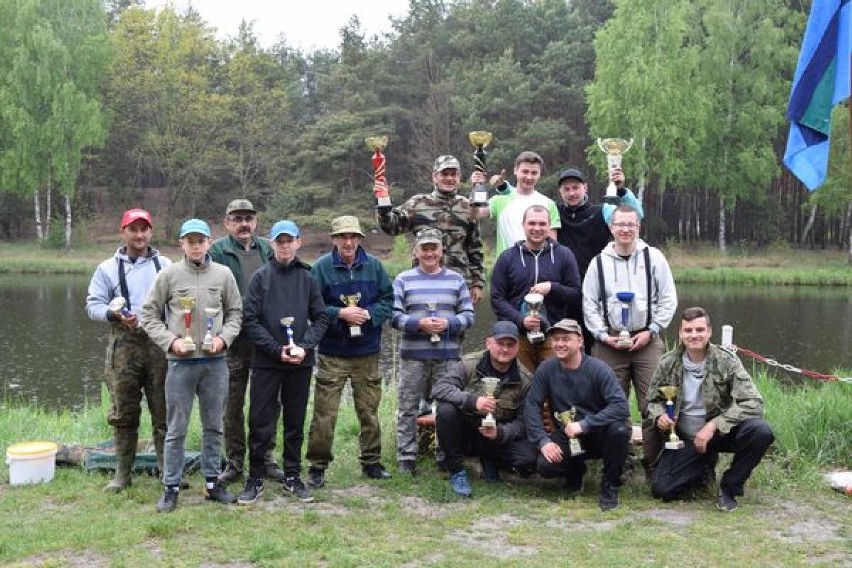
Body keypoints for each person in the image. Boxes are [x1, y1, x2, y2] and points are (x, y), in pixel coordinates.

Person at [141, 218, 242, 513]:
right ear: (181, 244)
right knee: (176, 428)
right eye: (190, 241)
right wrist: (170, 342)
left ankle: (212, 483)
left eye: (201, 241)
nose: (196, 246)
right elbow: (148, 315)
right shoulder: (169, 275)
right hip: (180, 364)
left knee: (214, 426)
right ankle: (171, 486)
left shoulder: (223, 275)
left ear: (209, 242)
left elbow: (236, 313)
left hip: (215, 363)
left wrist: (224, 339)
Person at [647, 307, 775, 512]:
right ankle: (703, 466)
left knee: (760, 431)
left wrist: (715, 425)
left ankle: (730, 487)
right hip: (685, 438)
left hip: (720, 434)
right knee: (662, 490)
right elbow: (652, 401)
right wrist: (659, 416)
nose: (694, 335)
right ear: (680, 333)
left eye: (699, 330)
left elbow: (753, 402)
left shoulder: (727, 360)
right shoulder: (667, 362)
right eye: (688, 330)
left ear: (709, 332)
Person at [237, 220, 329, 505]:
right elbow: (250, 321)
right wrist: (276, 350)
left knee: (295, 420)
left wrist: (303, 347)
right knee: (260, 421)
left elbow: (321, 318)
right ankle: (255, 476)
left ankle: (292, 475)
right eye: (280, 241)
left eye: (290, 240)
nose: (285, 245)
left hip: (300, 361)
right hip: (267, 361)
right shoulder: (260, 278)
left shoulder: (308, 278)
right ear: (272, 244)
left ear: (298, 243)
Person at [582, 205, 677, 474]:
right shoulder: (597, 262)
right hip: (609, 343)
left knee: (654, 404)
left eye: (631, 225)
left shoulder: (654, 258)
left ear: (638, 227)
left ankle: (654, 463)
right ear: (611, 228)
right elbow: (589, 304)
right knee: (612, 406)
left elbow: (669, 298)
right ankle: (618, 463)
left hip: (647, 339)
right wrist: (602, 335)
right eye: (620, 224)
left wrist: (653, 330)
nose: (625, 229)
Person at [85, 208, 172, 492]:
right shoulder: (107, 268)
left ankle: (167, 471)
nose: (139, 234)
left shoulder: (167, 264)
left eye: (144, 229)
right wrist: (115, 315)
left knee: (164, 410)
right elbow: (93, 305)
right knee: (124, 411)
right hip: (123, 346)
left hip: (159, 344)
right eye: (133, 229)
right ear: (123, 232)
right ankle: (123, 475)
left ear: (151, 231)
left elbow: (178, 301)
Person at [305, 216, 394, 488]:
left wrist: (367, 314)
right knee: (325, 412)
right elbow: (311, 307)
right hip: (332, 352)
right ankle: (318, 466)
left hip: (367, 352)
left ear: (359, 239)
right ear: (333, 239)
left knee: (369, 411)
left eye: (352, 236)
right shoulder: (320, 269)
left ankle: (371, 462)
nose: (348, 242)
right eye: (342, 236)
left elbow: (388, 302)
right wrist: (340, 313)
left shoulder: (375, 267)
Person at [209, 198, 284, 484]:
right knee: (232, 402)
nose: (244, 224)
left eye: (248, 218)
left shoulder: (269, 248)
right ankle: (235, 460)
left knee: (268, 402)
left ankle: (265, 457)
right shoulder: (216, 250)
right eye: (237, 219)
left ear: (255, 222)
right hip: (232, 338)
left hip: (265, 338)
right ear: (227, 222)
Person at [391, 228, 475, 475]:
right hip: (413, 356)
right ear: (416, 252)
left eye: (433, 248)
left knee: (446, 408)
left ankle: (444, 454)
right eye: (424, 248)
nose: (429, 253)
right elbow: (394, 317)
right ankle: (406, 457)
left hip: (447, 356)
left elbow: (468, 316)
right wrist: (419, 324)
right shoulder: (403, 279)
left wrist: (449, 324)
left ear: (441, 252)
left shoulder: (456, 280)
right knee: (407, 406)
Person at [522, 319, 631, 511]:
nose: (560, 344)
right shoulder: (547, 369)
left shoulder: (599, 369)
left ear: (580, 341)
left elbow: (621, 407)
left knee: (619, 431)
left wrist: (585, 424)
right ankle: (576, 471)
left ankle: (610, 483)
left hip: (598, 433)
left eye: (566, 339)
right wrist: (543, 441)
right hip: (567, 434)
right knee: (545, 466)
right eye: (556, 339)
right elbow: (532, 405)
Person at [431, 321, 538, 497]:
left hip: (497, 436)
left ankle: (491, 460)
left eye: (510, 345)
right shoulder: (469, 364)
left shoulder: (525, 379)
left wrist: (501, 433)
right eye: (500, 343)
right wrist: (472, 401)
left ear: (517, 347)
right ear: (488, 343)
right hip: (467, 431)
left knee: (528, 456)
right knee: (446, 410)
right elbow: (439, 389)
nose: (504, 349)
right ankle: (457, 470)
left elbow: (523, 421)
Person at [555, 167, 643, 353]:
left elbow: (634, 216)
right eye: (567, 189)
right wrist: (503, 188)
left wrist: (622, 190)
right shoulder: (554, 211)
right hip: (564, 293)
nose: (572, 193)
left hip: (596, 292)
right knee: (563, 347)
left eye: (576, 187)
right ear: (560, 192)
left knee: (592, 348)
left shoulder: (603, 211)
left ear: (585, 188)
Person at [377, 155, 485, 304]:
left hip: (459, 283)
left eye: (453, 174)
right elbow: (391, 227)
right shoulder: (418, 203)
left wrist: (477, 283)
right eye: (444, 174)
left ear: (459, 177)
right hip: (422, 282)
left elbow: (475, 248)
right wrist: (383, 201)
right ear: (435, 177)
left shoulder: (468, 207)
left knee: (457, 325)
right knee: (422, 324)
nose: (449, 178)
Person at [491, 205, 581, 372]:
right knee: (521, 388)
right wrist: (521, 320)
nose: (537, 228)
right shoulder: (507, 257)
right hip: (518, 336)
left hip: (554, 336)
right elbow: (497, 298)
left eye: (542, 224)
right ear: (523, 225)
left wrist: (552, 287)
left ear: (549, 226)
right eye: (532, 223)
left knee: (554, 388)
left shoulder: (564, 255)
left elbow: (576, 294)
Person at [469, 151, 561, 256]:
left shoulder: (549, 204)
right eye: (525, 172)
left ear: (539, 174)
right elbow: (474, 214)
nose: (529, 177)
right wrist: (476, 187)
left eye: (534, 173)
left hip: (538, 268)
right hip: (507, 268)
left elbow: (553, 245)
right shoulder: (499, 200)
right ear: (515, 170)